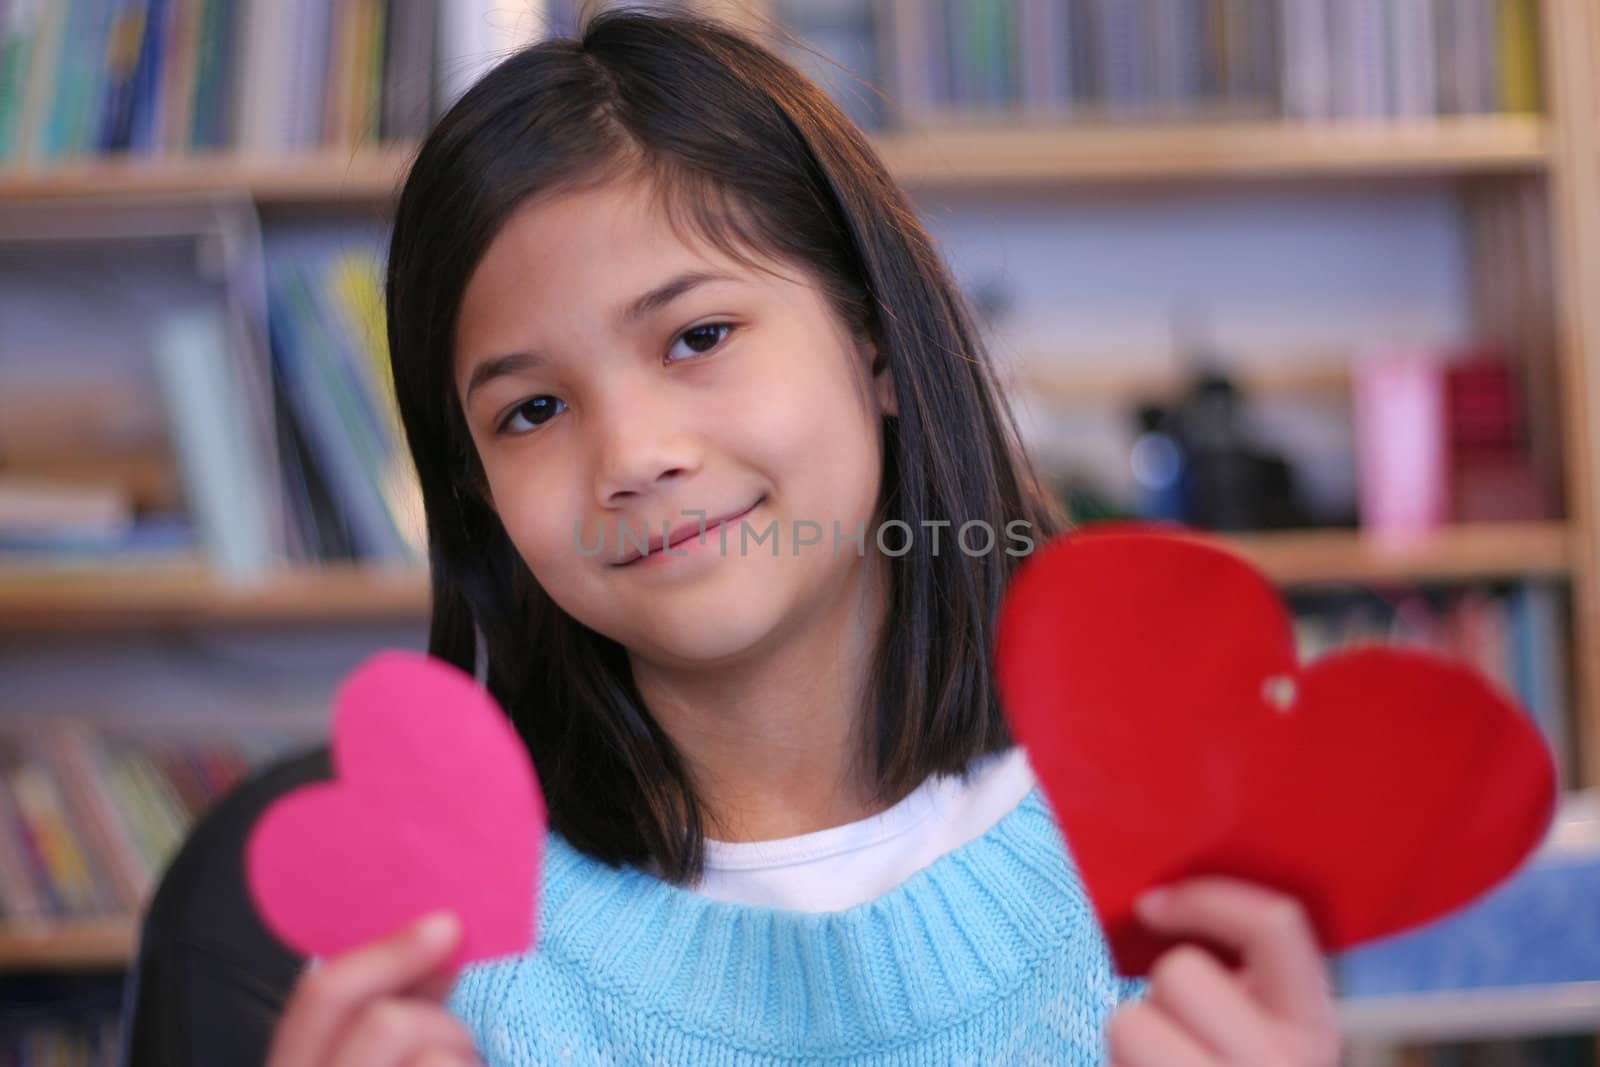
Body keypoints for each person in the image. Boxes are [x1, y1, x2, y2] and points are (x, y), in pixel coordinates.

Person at [264, 9, 1342, 1065]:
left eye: (697, 336)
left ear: (872, 339)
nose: (634, 453)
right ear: (479, 490)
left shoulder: (1167, 853)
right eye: (532, 411)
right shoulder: (429, 963)